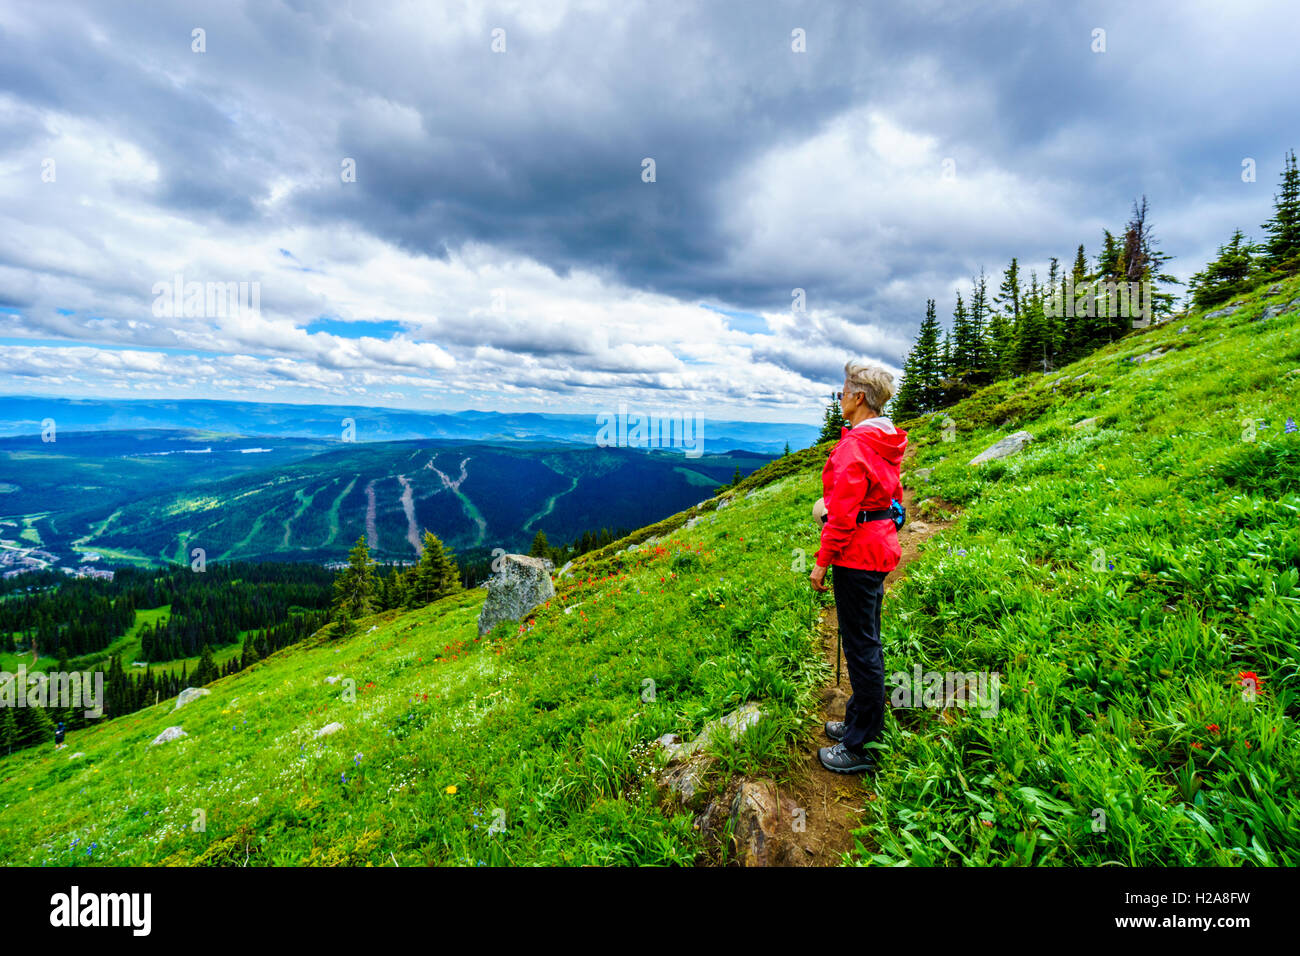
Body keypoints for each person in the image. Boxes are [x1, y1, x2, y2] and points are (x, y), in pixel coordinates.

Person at [809, 361, 907, 773]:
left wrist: (820, 564)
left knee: (861, 647)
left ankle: (862, 744)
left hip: (857, 556)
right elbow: (895, 496)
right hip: (879, 549)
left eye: (843, 391)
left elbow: (842, 517)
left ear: (859, 397)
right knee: (865, 639)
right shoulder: (887, 440)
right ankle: (856, 720)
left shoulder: (855, 447)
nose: (840, 397)